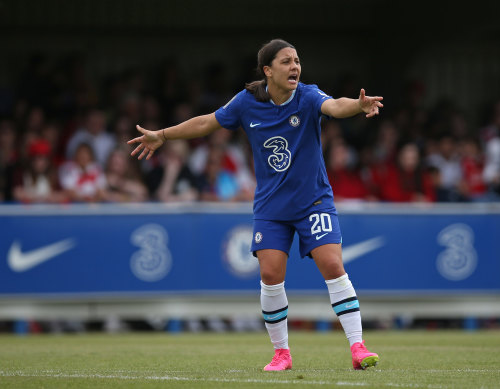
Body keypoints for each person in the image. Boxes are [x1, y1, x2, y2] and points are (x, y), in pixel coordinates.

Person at [128, 39, 382, 371]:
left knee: (333, 266)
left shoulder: (307, 95)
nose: (295, 67)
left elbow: (335, 106)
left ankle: (358, 347)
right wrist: (163, 135)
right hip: (272, 208)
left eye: (297, 61)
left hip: (313, 201)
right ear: (268, 70)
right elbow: (207, 122)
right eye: (286, 61)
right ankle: (282, 354)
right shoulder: (247, 102)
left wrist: (357, 106)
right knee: (270, 274)